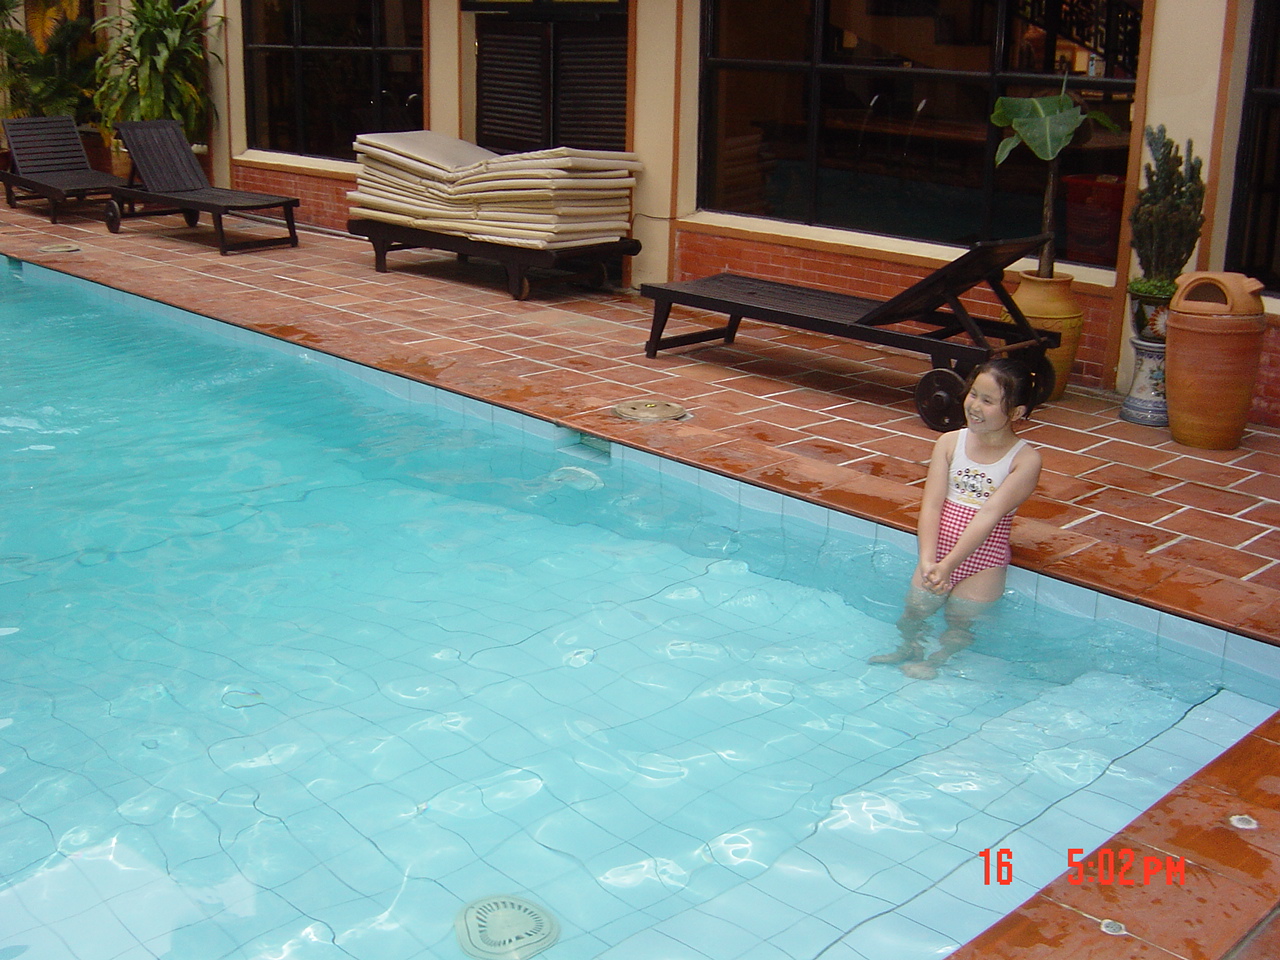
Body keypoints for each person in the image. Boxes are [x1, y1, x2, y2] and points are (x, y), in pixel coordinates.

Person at [871, 358, 1043, 679]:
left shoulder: (1024, 460)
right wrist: (928, 560)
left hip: (984, 560)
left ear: (1016, 412)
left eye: (988, 401)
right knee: (913, 611)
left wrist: (949, 565)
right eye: (973, 394)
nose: (974, 406)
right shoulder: (950, 443)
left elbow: (988, 515)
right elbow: (932, 505)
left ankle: (936, 661)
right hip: (938, 553)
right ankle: (909, 647)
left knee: (960, 622)